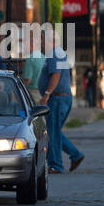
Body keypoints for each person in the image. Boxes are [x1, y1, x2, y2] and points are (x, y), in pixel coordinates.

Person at [37, 45, 85, 174]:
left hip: (57, 98)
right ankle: (75, 155)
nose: (39, 43)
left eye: (40, 39)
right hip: (60, 98)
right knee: (54, 132)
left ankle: (56, 165)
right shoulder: (57, 53)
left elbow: (56, 75)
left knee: (53, 133)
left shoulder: (53, 54)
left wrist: (47, 93)